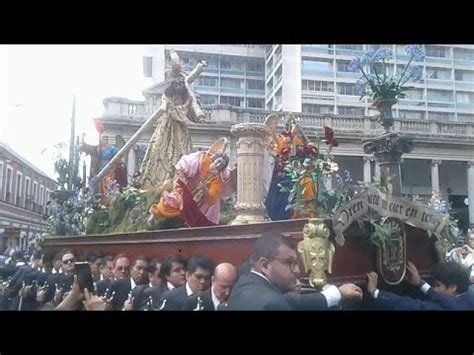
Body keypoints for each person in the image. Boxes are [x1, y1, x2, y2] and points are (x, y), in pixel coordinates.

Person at [226, 233, 363, 310]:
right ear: (265, 265)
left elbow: (291, 301)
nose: (297, 270)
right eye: (288, 263)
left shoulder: (243, 285)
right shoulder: (273, 304)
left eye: (297, 263)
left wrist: (338, 292)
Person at [139, 49, 207, 190]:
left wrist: (196, 114)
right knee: (160, 154)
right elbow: (173, 112)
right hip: (167, 129)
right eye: (176, 84)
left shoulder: (185, 96)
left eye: (181, 84)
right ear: (172, 84)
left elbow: (190, 115)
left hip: (181, 131)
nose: (179, 86)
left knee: (184, 156)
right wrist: (187, 105)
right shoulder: (167, 97)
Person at [149, 150, 232, 227]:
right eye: (219, 162)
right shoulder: (203, 160)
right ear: (214, 159)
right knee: (171, 200)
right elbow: (184, 166)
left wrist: (204, 189)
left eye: (221, 165)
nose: (218, 165)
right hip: (184, 186)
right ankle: (155, 215)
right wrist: (181, 176)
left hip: (196, 199)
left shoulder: (217, 179)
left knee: (187, 211)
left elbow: (211, 199)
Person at [366, 261, 474, 310]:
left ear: (453, 287)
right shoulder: (469, 297)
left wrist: (375, 292)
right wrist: (420, 283)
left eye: (438, 285)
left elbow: (409, 305)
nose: (434, 289)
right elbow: (438, 297)